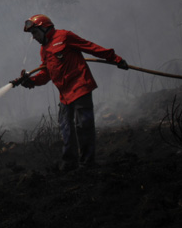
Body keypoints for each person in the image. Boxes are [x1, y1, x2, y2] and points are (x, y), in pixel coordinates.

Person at [11, 14, 128, 171]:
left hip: (80, 87)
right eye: (32, 35)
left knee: (84, 125)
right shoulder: (44, 50)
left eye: (35, 33)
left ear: (44, 28)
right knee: (66, 128)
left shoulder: (64, 36)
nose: (34, 38)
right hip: (65, 95)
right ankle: (69, 162)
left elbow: (91, 47)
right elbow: (46, 74)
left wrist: (116, 59)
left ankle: (87, 163)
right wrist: (30, 82)